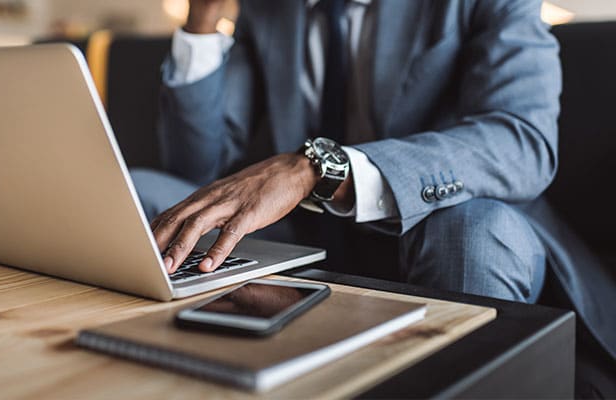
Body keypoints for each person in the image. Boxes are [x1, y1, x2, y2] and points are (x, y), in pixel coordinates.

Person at [131, 0, 615, 386]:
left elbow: (521, 141)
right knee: (145, 194)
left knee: (469, 229)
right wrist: (203, 17)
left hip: (444, 232)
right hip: (313, 232)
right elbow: (195, 168)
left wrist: (317, 169)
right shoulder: (272, 9)